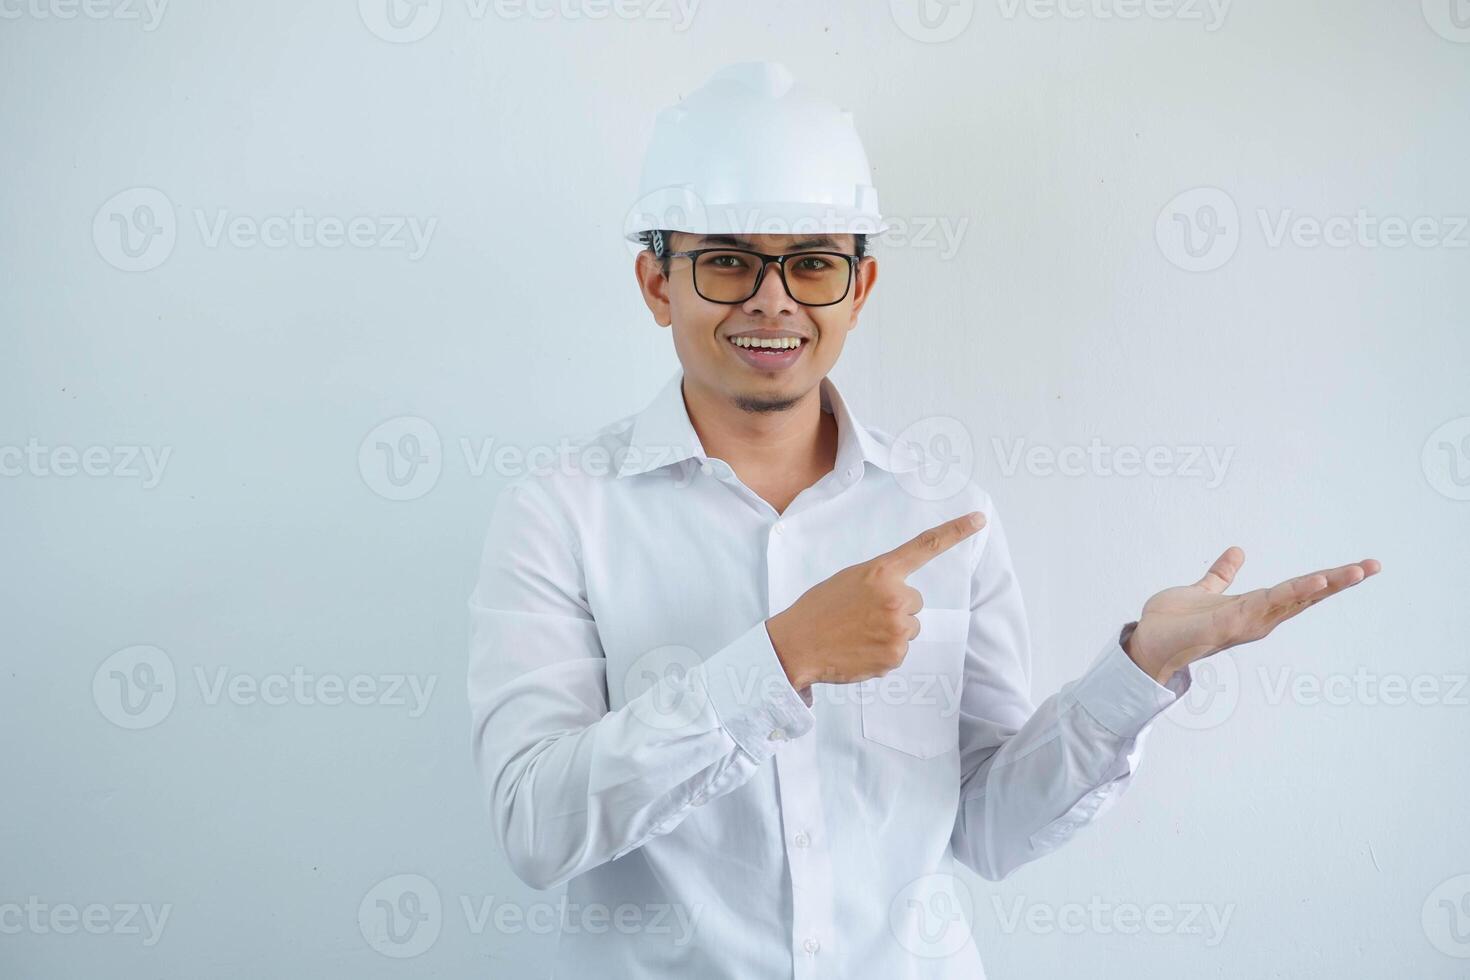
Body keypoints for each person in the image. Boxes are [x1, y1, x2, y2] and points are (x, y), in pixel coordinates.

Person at [466, 60, 1380, 979]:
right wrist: (782, 660)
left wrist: (1138, 669)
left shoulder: (945, 511)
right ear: (658, 284)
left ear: (857, 291)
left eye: (814, 263)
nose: (774, 300)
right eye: (727, 261)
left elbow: (986, 829)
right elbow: (536, 828)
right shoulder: (559, 513)